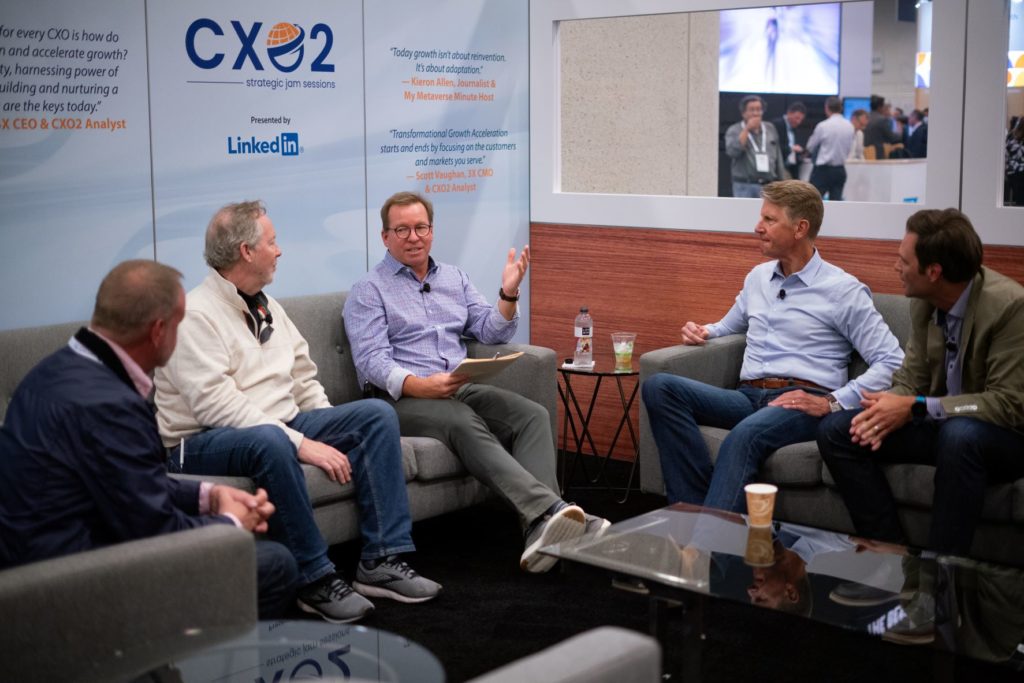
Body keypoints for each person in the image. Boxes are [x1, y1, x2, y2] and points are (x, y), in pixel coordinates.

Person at [154, 201, 441, 625]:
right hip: (197, 440)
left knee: (375, 415)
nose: (280, 250)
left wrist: (326, 431)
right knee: (270, 442)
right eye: (272, 242)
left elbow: (303, 376)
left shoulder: (266, 303)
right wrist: (302, 443)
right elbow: (216, 404)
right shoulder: (193, 315)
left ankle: (381, 559)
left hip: (276, 424)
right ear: (246, 251)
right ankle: (313, 578)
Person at [0, 260, 299, 618]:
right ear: (159, 331)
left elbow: (130, 483)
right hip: (68, 582)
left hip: (32, 558)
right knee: (276, 566)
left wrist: (210, 496)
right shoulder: (111, 406)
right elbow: (156, 535)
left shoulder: (53, 371)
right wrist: (231, 525)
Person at [343, 191, 606, 574]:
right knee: (460, 420)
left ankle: (540, 528)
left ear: (432, 231)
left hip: (458, 386)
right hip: (398, 400)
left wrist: (509, 293)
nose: (413, 237)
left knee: (531, 414)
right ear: (385, 237)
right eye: (402, 229)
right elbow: (371, 362)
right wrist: (420, 385)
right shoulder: (369, 290)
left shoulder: (453, 277)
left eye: (420, 228)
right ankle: (550, 511)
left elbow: (490, 331)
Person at [642, 180, 903, 512]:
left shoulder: (842, 290)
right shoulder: (758, 278)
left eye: (769, 220)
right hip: (747, 396)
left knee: (744, 437)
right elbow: (727, 326)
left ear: (800, 228)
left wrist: (833, 403)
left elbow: (892, 360)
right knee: (660, 387)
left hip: (799, 402)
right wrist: (701, 330)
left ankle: (707, 546)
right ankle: (696, 520)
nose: (757, 228)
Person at [817, 208, 1024, 558]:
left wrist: (916, 406)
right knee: (839, 430)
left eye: (903, 261)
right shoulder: (924, 303)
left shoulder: (1009, 308)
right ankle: (891, 554)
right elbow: (911, 379)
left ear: (934, 271)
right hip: (942, 426)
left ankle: (942, 575)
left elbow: (1007, 404)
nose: (896, 268)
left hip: (1001, 436)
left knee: (960, 434)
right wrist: (886, 407)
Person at [725, 95, 786, 198]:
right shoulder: (735, 129)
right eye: (752, 110)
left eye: (758, 109)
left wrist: (782, 181)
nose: (755, 113)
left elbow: (778, 156)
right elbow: (732, 152)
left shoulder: (770, 128)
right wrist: (747, 129)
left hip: (768, 185)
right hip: (744, 185)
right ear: (744, 113)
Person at [806, 96, 855, 201]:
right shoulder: (850, 126)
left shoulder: (823, 126)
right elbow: (850, 147)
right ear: (841, 108)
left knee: (812, 202)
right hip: (840, 170)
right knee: (836, 204)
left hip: (822, 171)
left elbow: (810, 146)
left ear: (826, 108)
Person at [770, 101, 807, 181]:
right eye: (797, 118)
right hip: (778, 168)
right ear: (789, 113)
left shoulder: (796, 130)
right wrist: (791, 149)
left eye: (801, 119)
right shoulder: (776, 125)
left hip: (792, 168)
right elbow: (773, 147)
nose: (798, 122)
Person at [863, 95, 903, 160]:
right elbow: (892, 137)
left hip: (866, 155)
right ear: (880, 107)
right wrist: (900, 132)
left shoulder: (865, 117)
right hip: (877, 155)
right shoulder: (882, 120)